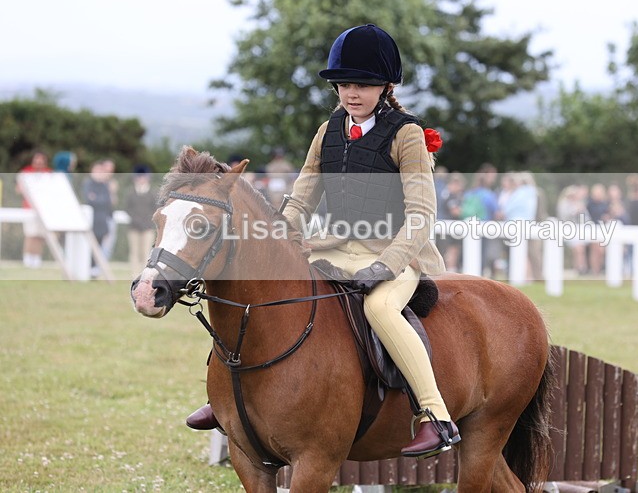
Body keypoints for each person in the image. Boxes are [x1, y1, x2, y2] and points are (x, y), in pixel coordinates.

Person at [186, 24, 458, 459]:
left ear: (385, 86)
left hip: (397, 255)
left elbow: (421, 216)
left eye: (364, 84)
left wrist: (386, 265)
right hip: (334, 249)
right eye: (345, 84)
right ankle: (229, 399)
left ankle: (433, 414)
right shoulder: (328, 129)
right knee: (260, 292)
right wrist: (280, 236)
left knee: (380, 309)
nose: (352, 93)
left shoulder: (407, 134)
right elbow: (302, 197)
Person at [16, 151, 52, 268]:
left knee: (40, 235)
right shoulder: (26, 172)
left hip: (44, 209)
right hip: (29, 208)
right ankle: (28, 257)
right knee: (30, 234)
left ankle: (37, 257)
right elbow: (19, 189)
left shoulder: (48, 173)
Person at [125, 165, 158, 279]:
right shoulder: (131, 192)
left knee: (146, 252)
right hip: (134, 227)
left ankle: (143, 275)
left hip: (148, 227)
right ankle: (134, 275)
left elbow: (155, 209)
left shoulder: (153, 192)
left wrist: (147, 221)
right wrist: (136, 220)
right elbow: (128, 209)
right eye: (139, 177)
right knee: (134, 252)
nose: (141, 179)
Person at [82, 160, 114, 277]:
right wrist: (97, 200)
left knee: (99, 247)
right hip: (91, 222)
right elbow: (89, 199)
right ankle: (87, 269)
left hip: (102, 222)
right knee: (89, 247)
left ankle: (94, 271)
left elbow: (107, 201)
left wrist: (97, 199)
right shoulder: (88, 183)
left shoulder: (105, 185)